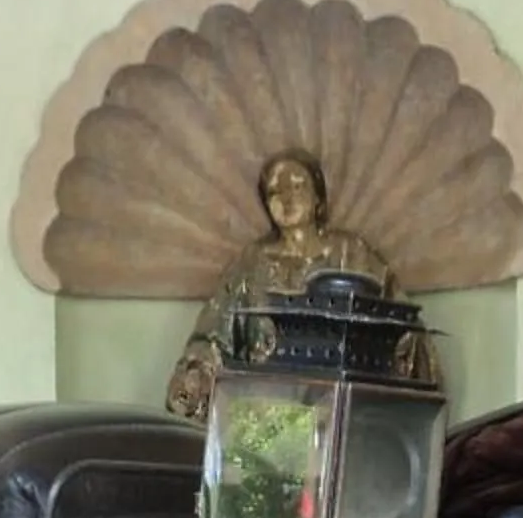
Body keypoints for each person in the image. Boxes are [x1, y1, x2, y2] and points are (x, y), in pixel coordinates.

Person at [164, 150, 394, 420]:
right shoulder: (251, 263)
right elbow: (215, 335)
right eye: (275, 191)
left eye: (297, 186)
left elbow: (394, 321)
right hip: (265, 408)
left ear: (318, 196)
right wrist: (196, 373)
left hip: (343, 404)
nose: (287, 199)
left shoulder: (352, 254)